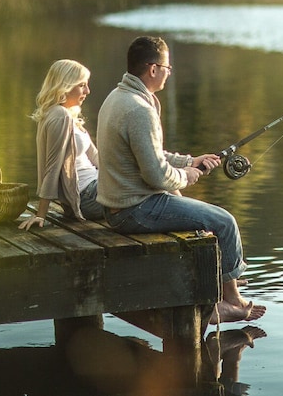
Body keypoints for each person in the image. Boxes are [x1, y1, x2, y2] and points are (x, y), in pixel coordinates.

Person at [96, 36, 266, 324]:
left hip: (119, 207)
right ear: (152, 69)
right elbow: (156, 175)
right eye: (167, 67)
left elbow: (150, 154)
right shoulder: (140, 110)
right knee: (224, 222)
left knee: (201, 214)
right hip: (133, 211)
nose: (169, 72)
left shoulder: (118, 97)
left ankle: (225, 281)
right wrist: (186, 176)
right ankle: (230, 301)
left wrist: (190, 161)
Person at [19, 59, 106, 230]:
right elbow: (52, 167)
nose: (87, 91)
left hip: (96, 187)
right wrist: (40, 214)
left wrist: (121, 173)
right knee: (148, 178)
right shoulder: (60, 115)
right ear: (65, 85)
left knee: (148, 175)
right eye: (82, 85)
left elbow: (96, 157)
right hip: (86, 196)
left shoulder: (69, 114)